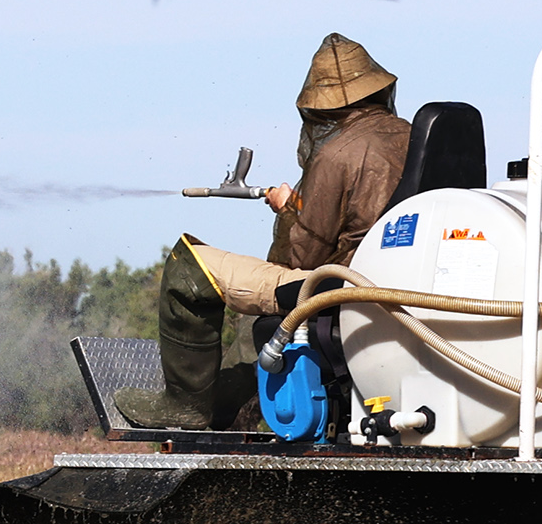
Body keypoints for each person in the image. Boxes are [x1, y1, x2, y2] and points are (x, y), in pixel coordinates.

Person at [115, 33, 415, 431]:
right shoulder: (414, 136)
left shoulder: (336, 155)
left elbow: (300, 259)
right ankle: (235, 409)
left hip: (341, 288)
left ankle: (184, 406)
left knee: (190, 266)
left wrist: (289, 208)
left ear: (322, 109)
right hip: (403, 286)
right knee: (253, 308)